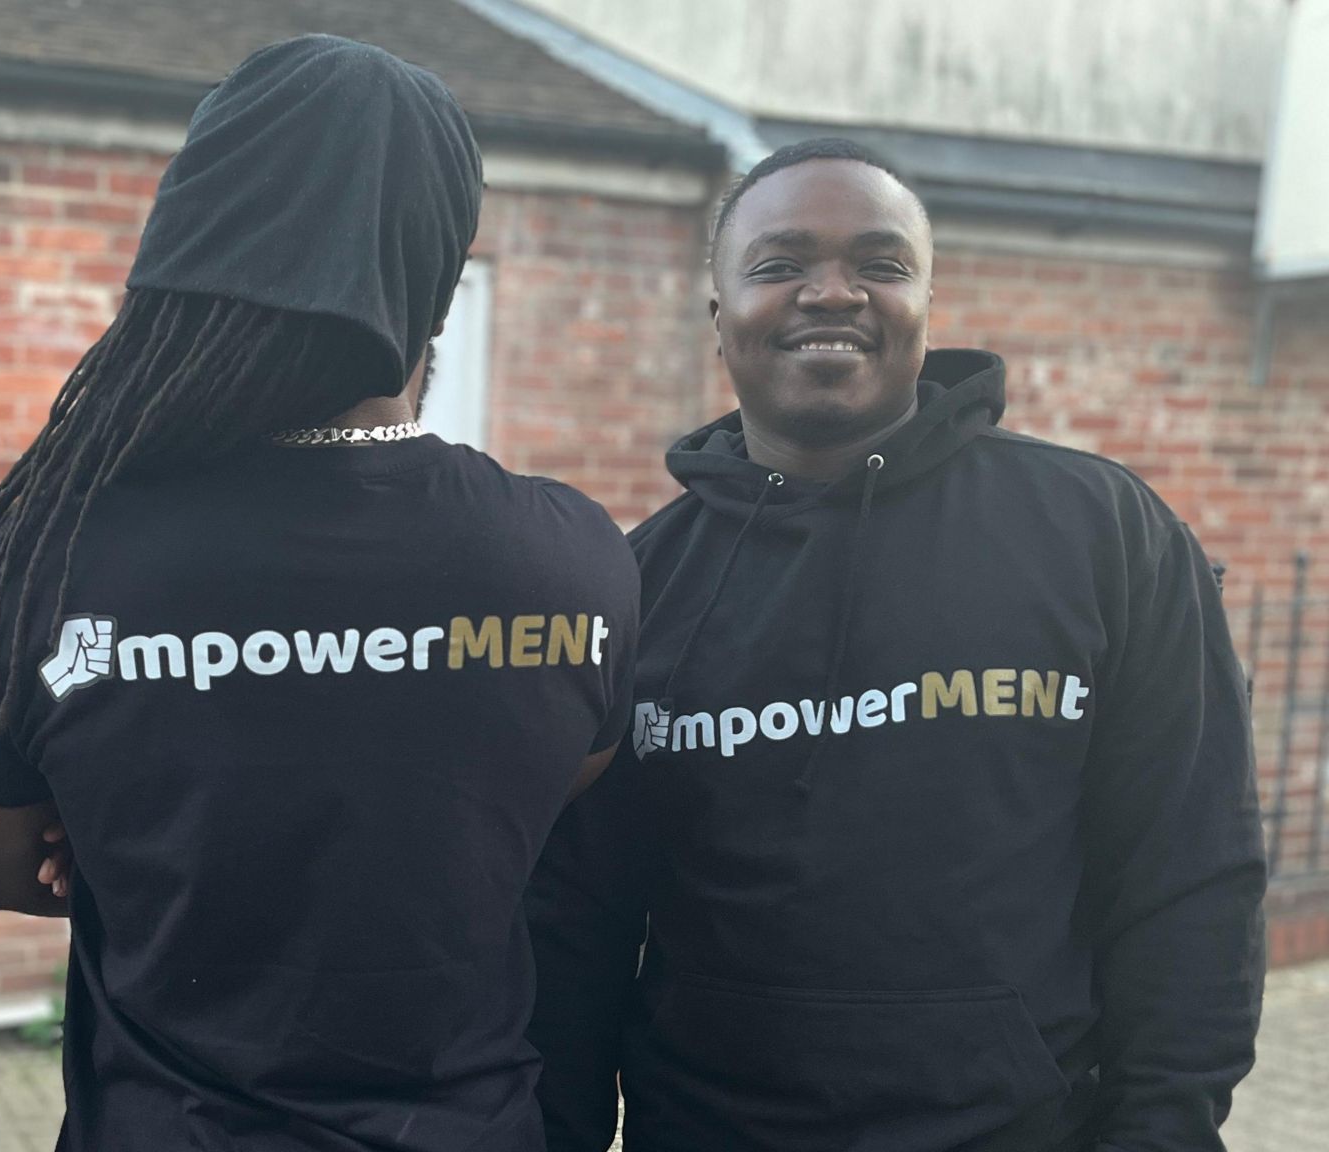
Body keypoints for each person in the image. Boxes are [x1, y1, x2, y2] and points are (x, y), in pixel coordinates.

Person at [0, 35, 640, 1152]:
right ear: (437, 280)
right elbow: (556, 796)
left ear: (188, 253)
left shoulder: (49, 548)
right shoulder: (575, 561)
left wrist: (130, 843)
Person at [528, 138, 1266, 1152]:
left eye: (878, 264)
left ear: (926, 304)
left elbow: (1189, 868)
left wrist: (1164, 1128)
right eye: (779, 264)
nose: (830, 293)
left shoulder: (1101, 535)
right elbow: (576, 927)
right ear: (717, 316)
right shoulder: (636, 586)